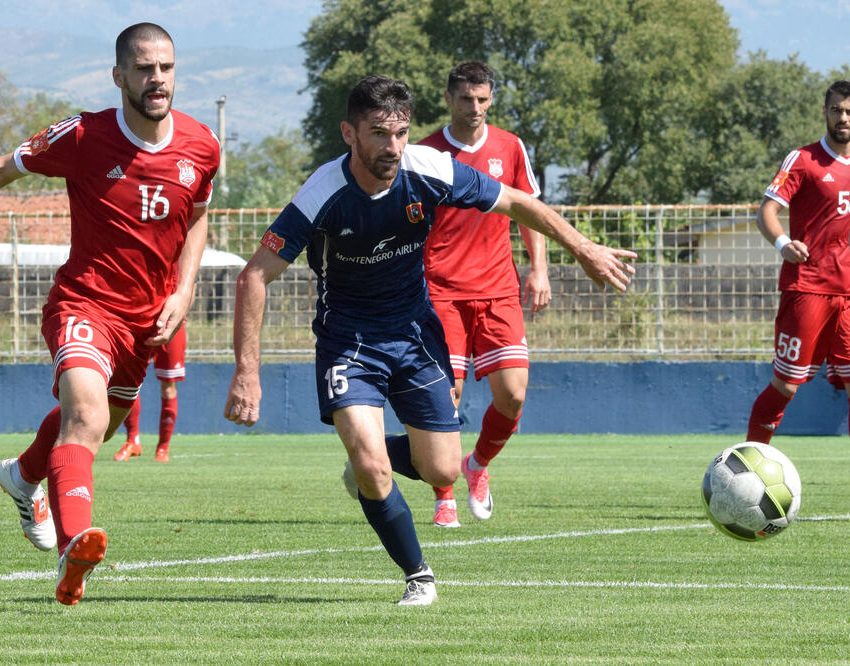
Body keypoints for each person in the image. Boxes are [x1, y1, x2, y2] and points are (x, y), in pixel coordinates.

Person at [223, 75, 635, 606]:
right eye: (378, 134)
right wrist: (247, 372)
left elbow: (515, 201)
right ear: (350, 133)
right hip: (348, 341)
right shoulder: (323, 193)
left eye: (400, 133)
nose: (392, 147)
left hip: (416, 334)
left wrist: (581, 247)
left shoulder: (429, 168)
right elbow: (254, 275)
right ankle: (417, 573)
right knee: (373, 466)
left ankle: (367, 460)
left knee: (442, 469)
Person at [0, 23, 220, 604]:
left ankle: (23, 475)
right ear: (119, 75)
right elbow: (2, 170)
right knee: (84, 412)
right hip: (84, 301)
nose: (157, 79)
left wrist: (182, 293)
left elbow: (198, 218)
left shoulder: (203, 146)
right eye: (145, 68)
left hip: (147, 319)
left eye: (166, 68)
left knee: (96, 425)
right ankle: (73, 548)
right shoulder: (84, 135)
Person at [746, 80, 850, 513]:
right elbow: (767, 211)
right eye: (837, 110)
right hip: (806, 289)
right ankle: (743, 474)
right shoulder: (803, 159)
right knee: (786, 384)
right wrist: (783, 243)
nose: (843, 118)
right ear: (825, 111)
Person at [414, 62, 549, 528]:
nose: (474, 108)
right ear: (449, 98)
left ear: (491, 99)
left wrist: (539, 270)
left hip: (498, 290)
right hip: (441, 293)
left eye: (483, 99)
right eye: (466, 99)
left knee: (512, 395)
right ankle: (444, 495)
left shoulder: (509, 147)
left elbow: (531, 211)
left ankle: (477, 465)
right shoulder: (425, 151)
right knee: (443, 397)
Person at [115, 321, 187, 463]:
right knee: (129, 380)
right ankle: (132, 441)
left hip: (170, 324)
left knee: (168, 386)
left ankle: (163, 448)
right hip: (140, 321)